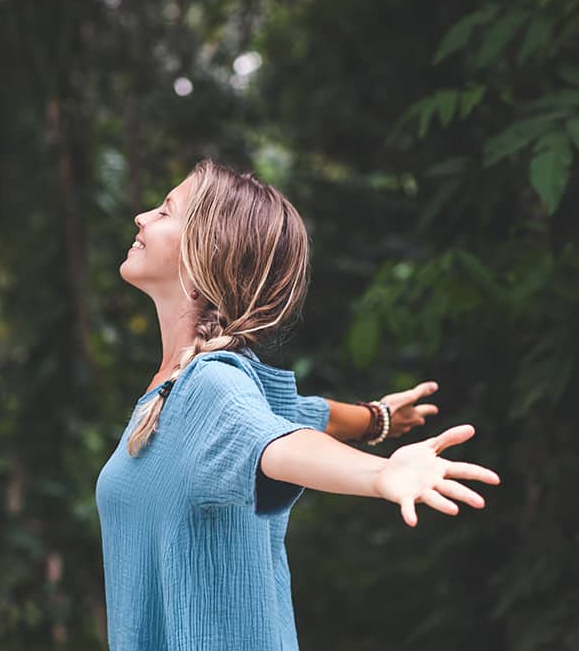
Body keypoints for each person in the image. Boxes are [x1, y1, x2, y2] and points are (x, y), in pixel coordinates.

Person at [94, 158, 500, 651]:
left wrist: (379, 475)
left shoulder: (210, 387)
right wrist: (379, 419)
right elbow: (299, 415)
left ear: (205, 254)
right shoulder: (179, 390)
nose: (142, 216)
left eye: (166, 211)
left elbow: (281, 444)